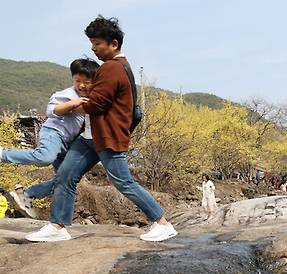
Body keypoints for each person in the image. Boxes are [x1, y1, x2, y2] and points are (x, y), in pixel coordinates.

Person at [25, 16, 177, 242]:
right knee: (66, 175)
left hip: (107, 136)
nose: (93, 49)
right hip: (90, 138)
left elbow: (96, 104)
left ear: (113, 44)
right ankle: (57, 227)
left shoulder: (112, 68)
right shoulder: (119, 68)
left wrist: (65, 108)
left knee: (123, 182)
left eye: (97, 44)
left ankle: (162, 223)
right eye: (92, 43)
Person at [2, 59, 99, 218]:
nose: (81, 85)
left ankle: (27, 195)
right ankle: (3, 154)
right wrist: (73, 103)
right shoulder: (68, 94)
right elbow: (52, 110)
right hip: (53, 133)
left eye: (86, 82)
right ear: (72, 80)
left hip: (66, 144)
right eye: (77, 81)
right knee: (45, 157)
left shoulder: (91, 98)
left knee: (67, 178)